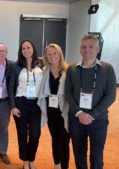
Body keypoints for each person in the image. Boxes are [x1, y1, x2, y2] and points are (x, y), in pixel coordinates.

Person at [65, 34, 116, 169]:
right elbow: (68, 93)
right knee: (79, 153)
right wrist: (79, 113)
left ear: (97, 49)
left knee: (97, 156)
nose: (87, 49)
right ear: (80, 49)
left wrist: (93, 114)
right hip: (76, 119)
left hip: (98, 120)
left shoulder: (107, 69)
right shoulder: (72, 69)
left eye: (91, 46)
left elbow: (111, 95)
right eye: (84, 47)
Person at [9, 39, 43, 169]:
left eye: (28, 47)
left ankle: (31, 158)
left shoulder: (41, 64)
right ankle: (25, 161)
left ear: (33, 48)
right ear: (20, 51)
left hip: (37, 104)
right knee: (22, 134)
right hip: (21, 103)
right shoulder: (16, 66)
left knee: (35, 134)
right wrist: (13, 106)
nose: (26, 50)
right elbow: (11, 86)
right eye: (23, 48)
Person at [37, 44, 70, 169]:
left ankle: (64, 167)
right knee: (55, 140)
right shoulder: (44, 71)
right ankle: (56, 165)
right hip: (51, 112)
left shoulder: (68, 70)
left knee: (64, 142)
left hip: (64, 111)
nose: (52, 56)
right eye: (49, 54)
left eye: (55, 53)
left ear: (60, 54)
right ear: (46, 56)